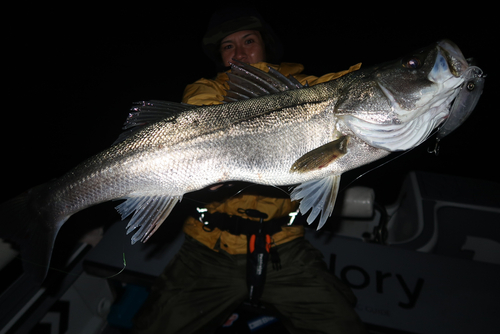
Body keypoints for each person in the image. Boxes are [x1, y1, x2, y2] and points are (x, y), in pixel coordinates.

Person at [132, 7, 366, 334]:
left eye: (249, 41)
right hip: (208, 248)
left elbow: (344, 87)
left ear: (265, 44)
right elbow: (202, 116)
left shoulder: (300, 88)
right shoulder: (206, 90)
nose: (240, 53)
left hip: (284, 246)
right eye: (228, 46)